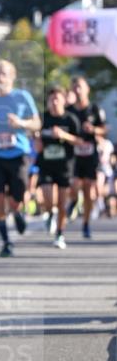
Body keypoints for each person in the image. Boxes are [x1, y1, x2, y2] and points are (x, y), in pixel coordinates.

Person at [0, 60, 41, 257]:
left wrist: (20, 122)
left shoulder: (22, 97)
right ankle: (6, 242)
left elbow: (37, 123)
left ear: (12, 76)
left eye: (2, 73)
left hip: (18, 154)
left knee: (17, 197)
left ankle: (17, 212)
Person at [38, 85, 81, 249]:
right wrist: (37, 142)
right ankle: (49, 214)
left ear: (64, 100)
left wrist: (63, 135)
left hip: (65, 165)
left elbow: (80, 141)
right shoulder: (43, 118)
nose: (54, 102)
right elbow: (34, 137)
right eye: (51, 99)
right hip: (46, 164)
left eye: (57, 98)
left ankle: (60, 234)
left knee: (62, 203)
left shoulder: (70, 119)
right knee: (49, 199)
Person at [67, 76, 108, 239]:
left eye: (80, 87)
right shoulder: (69, 110)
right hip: (74, 155)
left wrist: (94, 130)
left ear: (87, 89)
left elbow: (105, 129)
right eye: (75, 87)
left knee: (89, 190)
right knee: (75, 185)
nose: (77, 90)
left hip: (90, 154)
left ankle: (85, 223)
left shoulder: (95, 109)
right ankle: (74, 201)